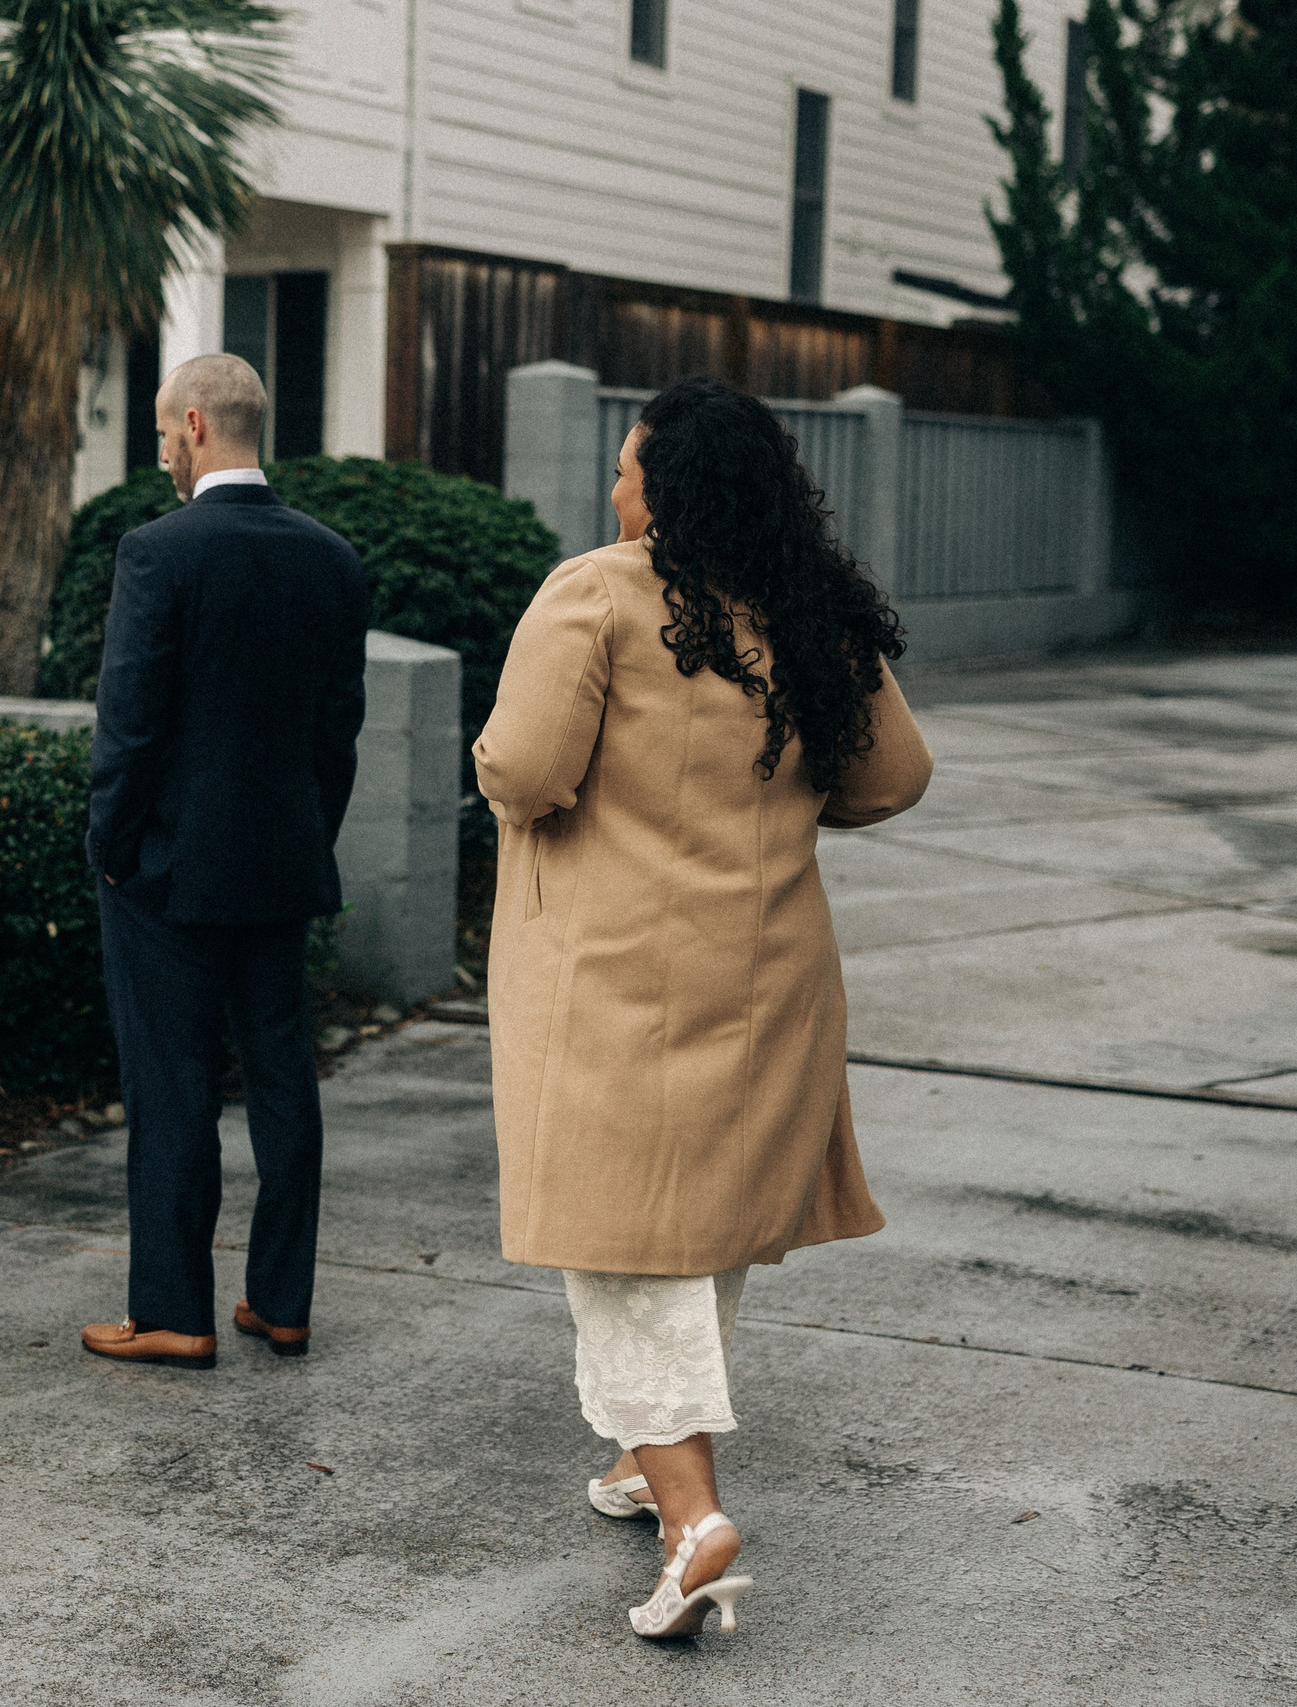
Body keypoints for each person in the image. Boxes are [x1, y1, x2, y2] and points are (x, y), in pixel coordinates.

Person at [470, 376, 933, 1638]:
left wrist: (526, 794)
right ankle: (638, 1458)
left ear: (664, 492)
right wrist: (776, 810)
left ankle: (692, 1521)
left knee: (624, 1252)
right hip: (769, 971)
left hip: (616, 981)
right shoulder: (810, 602)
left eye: (626, 472)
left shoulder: (600, 592)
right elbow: (894, 775)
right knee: (701, 1225)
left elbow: (521, 766)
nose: (611, 490)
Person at [78, 353, 370, 1371]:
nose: (160, 449)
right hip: (282, 866)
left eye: (163, 431)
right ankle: (281, 1304)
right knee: (284, 1079)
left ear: (196, 425)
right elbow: (339, 733)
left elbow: (129, 727)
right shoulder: (331, 558)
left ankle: (170, 1312)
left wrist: (110, 850)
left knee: (173, 1085)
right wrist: (307, 834)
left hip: (168, 874)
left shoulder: (158, 553)